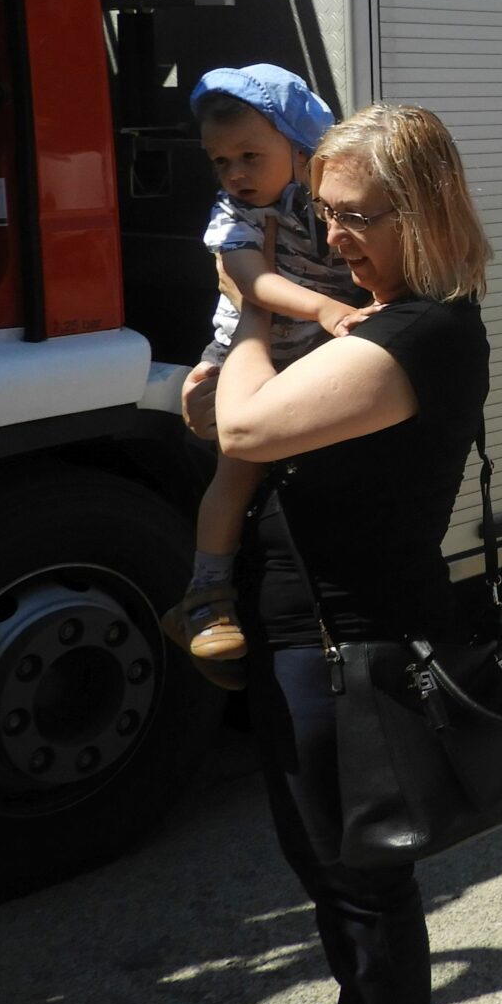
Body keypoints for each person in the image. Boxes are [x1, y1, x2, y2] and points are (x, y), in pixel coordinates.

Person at [202, 102, 492, 1004]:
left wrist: (243, 318)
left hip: (354, 654)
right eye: (321, 219)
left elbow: (244, 430)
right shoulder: (374, 322)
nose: (334, 241)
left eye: (358, 217)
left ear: (424, 210)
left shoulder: (425, 332)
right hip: (303, 645)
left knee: (367, 894)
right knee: (329, 884)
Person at [180, 66, 366, 661]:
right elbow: (250, 282)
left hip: (309, 353)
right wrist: (329, 309)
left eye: (249, 156)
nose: (234, 174)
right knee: (236, 473)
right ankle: (205, 596)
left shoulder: (331, 201)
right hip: (245, 355)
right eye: (220, 161)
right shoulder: (236, 216)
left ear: (301, 145)